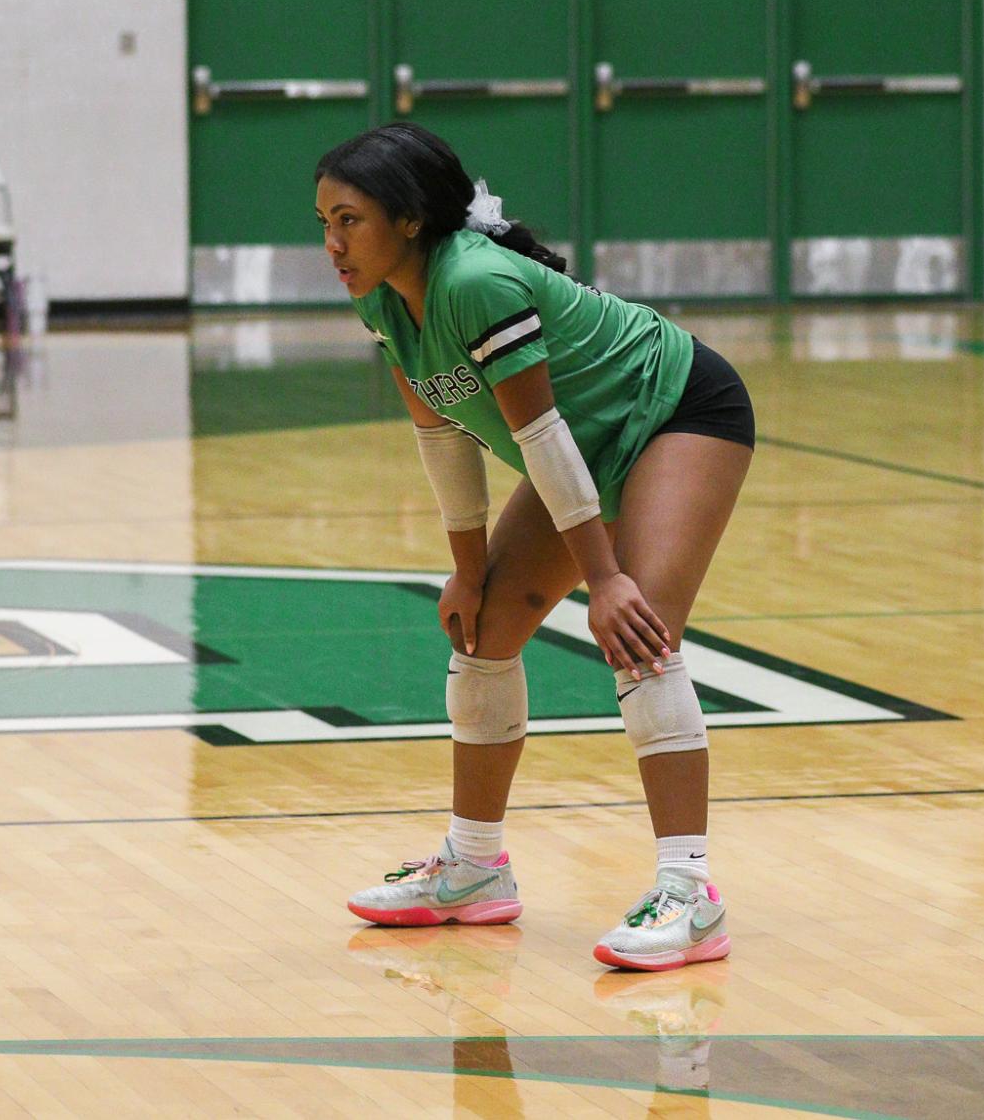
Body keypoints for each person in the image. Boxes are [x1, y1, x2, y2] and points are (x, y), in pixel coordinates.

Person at [318, 121, 754, 972]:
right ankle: (474, 867)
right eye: (324, 223)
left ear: (409, 219)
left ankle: (689, 894)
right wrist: (469, 572)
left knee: (639, 635)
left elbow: (544, 435)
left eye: (349, 221)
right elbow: (442, 438)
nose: (332, 244)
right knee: (481, 632)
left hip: (675, 412)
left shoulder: (476, 283)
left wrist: (606, 579)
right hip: (579, 448)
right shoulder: (380, 298)